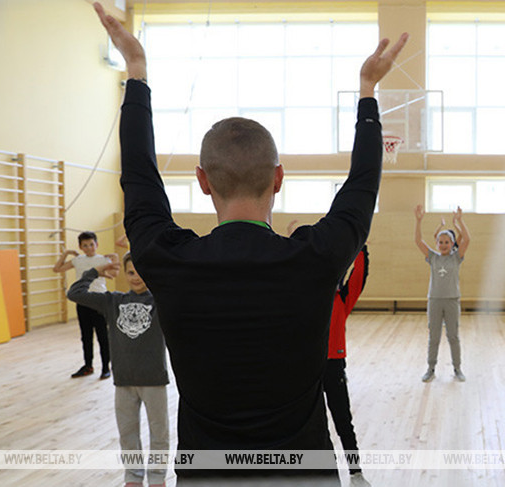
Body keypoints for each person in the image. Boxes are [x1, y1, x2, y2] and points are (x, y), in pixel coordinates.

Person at [94, 2, 408, 482]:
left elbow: (138, 178)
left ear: (202, 180)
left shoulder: (169, 260)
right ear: (278, 178)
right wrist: (368, 93)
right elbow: (362, 188)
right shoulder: (314, 258)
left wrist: (136, 73)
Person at [67, 253, 169, 487]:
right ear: (124, 273)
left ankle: (157, 478)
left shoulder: (161, 302)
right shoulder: (113, 301)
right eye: (131, 272)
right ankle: (133, 477)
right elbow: (74, 293)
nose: (136, 277)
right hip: (123, 381)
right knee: (128, 435)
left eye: (141, 272)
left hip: (153, 380)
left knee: (159, 434)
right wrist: (95, 272)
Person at [324, 245, 371, 487]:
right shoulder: (308, 299)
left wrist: (359, 246)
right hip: (308, 368)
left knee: (343, 422)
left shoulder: (343, 299)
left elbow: (360, 273)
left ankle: (355, 472)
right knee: (313, 425)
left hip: (334, 368)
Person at [414, 205, 470, 383]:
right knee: (434, 337)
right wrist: (418, 221)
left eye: (447, 242)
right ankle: (430, 368)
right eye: (441, 242)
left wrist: (460, 221)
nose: (444, 245)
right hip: (435, 300)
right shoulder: (433, 257)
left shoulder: (456, 257)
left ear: (452, 244)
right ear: (437, 243)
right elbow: (418, 241)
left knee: (453, 336)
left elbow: (467, 239)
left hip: (452, 300)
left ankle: (457, 368)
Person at [53, 230, 117, 379]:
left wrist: (113, 259)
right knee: (86, 337)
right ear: (80, 247)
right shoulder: (78, 260)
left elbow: (113, 275)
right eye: (85, 245)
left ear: (96, 244)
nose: (89, 248)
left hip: (99, 301)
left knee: (103, 336)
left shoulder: (103, 260)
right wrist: (67, 253)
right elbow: (57, 269)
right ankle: (88, 366)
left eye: (91, 244)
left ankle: (106, 368)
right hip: (83, 302)